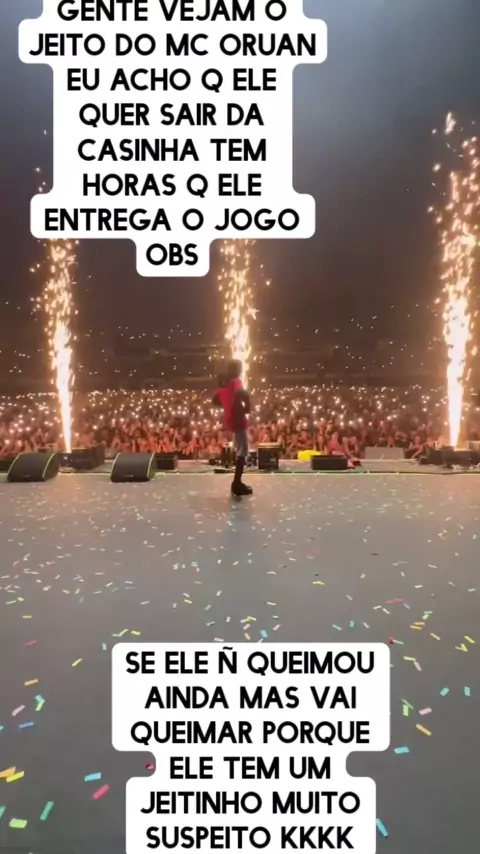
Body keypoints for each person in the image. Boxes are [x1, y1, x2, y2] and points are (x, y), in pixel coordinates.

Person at [213, 360, 252, 496]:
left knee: (240, 449)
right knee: (242, 450)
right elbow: (243, 394)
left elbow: (215, 400)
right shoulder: (235, 381)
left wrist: (227, 405)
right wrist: (247, 407)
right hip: (238, 420)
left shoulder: (224, 384)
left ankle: (237, 483)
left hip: (230, 419)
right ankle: (237, 484)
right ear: (238, 370)